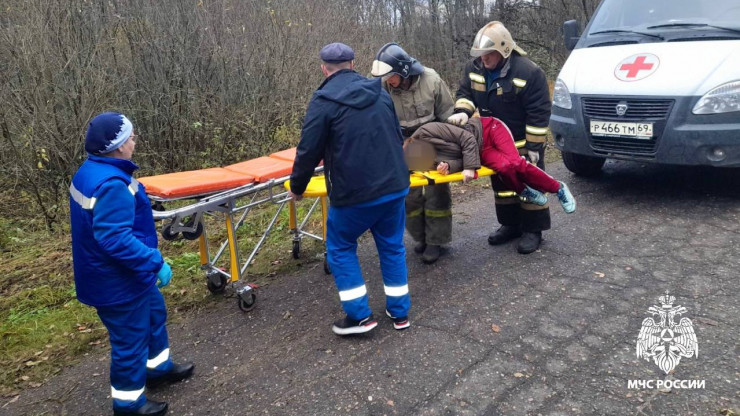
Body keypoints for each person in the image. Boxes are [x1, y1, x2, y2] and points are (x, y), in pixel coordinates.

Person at [69, 112, 194, 416]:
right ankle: (128, 404)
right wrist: (155, 261)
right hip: (117, 282)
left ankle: (157, 368)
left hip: (125, 275)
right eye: (132, 137)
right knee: (130, 341)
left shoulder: (93, 170)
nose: (135, 141)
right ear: (120, 146)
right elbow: (114, 239)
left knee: (153, 315)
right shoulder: (111, 183)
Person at [288, 43, 411, 335]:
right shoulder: (380, 92)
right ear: (353, 64)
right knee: (392, 247)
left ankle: (360, 317)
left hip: (354, 195)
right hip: (394, 186)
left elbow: (308, 149)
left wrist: (297, 186)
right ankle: (400, 313)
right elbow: (396, 134)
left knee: (341, 247)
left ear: (324, 69)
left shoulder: (323, 101)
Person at [448, 21, 553, 254]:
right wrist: (462, 112)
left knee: (529, 185)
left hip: (523, 143)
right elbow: (465, 94)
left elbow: (539, 110)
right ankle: (511, 225)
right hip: (495, 143)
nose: (483, 59)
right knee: (503, 187)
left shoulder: (528, 72)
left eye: (488, 54)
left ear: (504, 50)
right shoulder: (474, 69)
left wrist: (535, 145)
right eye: (480, 54)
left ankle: (533, 230)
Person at [370, 43, 455, 264]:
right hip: (403, 145)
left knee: (437, 193)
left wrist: (449, 152)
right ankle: (421, 238)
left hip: (434, 141)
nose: (389, 80)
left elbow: (448, 116)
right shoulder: (383, 88)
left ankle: (436, 241)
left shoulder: (431, 80)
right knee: (409, 196)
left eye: (391, 76)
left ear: (403, 70)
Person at [407, 117, 576, 214]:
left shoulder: (427, 130)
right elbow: (459, 160)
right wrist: (448, 166)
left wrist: (470, 167)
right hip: (481, 151)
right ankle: (523, 190)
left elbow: (467, 139)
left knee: (515, 162)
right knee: (504, 168)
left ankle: (558, 188)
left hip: (488, 129)